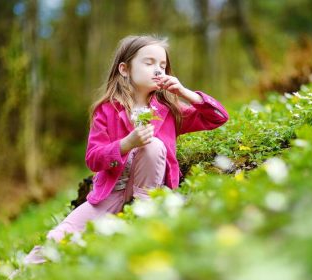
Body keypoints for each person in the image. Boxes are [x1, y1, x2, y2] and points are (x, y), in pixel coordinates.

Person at [21, 34, 229, 266]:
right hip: (110, 193)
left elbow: (218, 117)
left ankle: (142, 213)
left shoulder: (170, 110)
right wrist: (126, 143)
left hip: (149, 195)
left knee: (153, 144)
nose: (158, 70)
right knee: (55, 240)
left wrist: (185, 93)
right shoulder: (106, 110)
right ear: (124, 69)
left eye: (163, 65)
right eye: (149, 63)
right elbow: (93, 159)